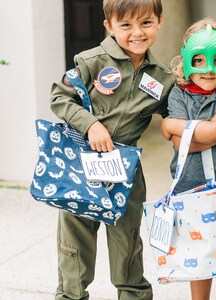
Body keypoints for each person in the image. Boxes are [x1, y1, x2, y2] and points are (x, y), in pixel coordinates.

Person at [50, 0, 174, 299]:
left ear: (159, 21)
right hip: (81, 167)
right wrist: (91, 125)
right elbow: (60, 97)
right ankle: (70, 295)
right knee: (75, 242)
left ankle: (133, 294)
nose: (137, 33)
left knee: (127, 244)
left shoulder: (162, 77)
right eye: (126, 25)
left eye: (145, 23)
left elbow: (174, 116)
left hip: (126, 171)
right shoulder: (91, 60)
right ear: (109, 26)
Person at [161, 18, 216, 300]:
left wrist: (172, 125)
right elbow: (181, 144)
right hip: (188, 192)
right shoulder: (178, 94)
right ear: (186, 61)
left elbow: (212, 130)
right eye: (198, 60)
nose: (207, 69)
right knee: (196, 264)